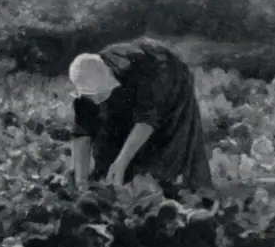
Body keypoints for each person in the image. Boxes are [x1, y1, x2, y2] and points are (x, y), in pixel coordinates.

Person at [69, 37, 213, 190]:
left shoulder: (146, 71)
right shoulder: (87, 78)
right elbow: (82, 132)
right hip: (133, 94)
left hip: (170, 82)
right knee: (108, 146)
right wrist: (81, 181)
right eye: (90, 95)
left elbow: (147, 120)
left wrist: (120, 163)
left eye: (97, 94)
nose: (95, 100)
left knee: (165, 152)